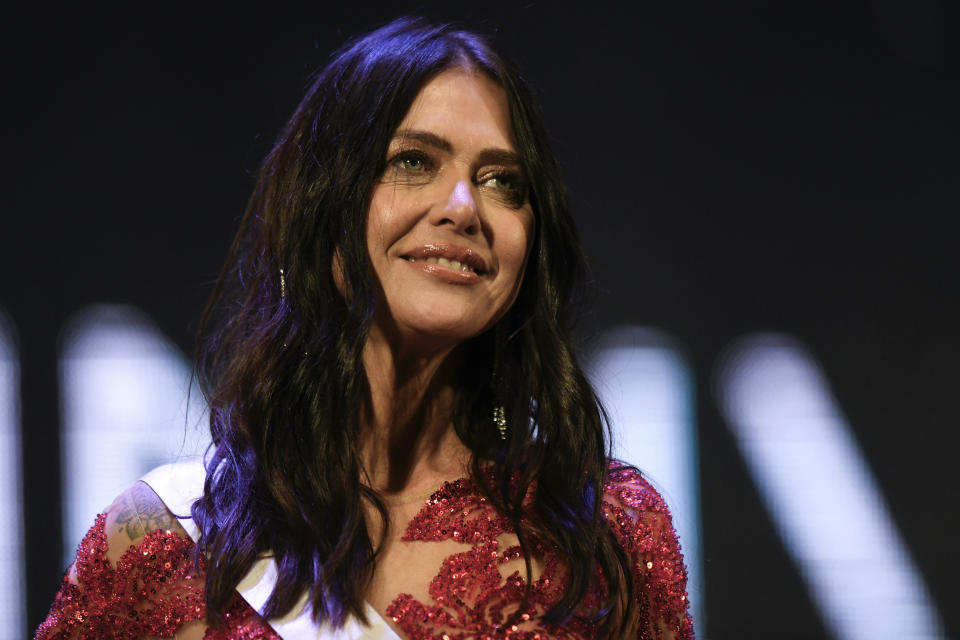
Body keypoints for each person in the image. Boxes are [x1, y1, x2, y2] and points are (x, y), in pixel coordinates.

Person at [36, 16, 693, 640]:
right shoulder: (165, 540)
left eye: (502, 181)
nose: (464, 207)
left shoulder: (603, 533)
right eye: (414, 161)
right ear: (325, 205)